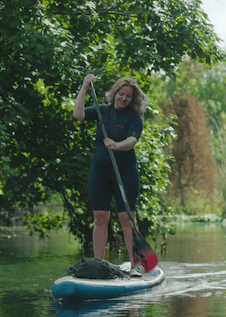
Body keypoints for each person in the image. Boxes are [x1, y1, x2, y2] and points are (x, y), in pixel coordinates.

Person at [73, 73, 148, 276]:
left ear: (133, 99)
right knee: (100, 217)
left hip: (125, 174)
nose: (124, 98)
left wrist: (116, 145)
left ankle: (136, 266)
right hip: (99, 173)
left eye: (128, 96)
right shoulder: (102, 111)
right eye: (121, 94)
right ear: (114, 94)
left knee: (126, 218)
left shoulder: (134, 118)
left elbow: (132, 141)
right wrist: (84, 85)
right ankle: (98, 265)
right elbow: (77, 114)